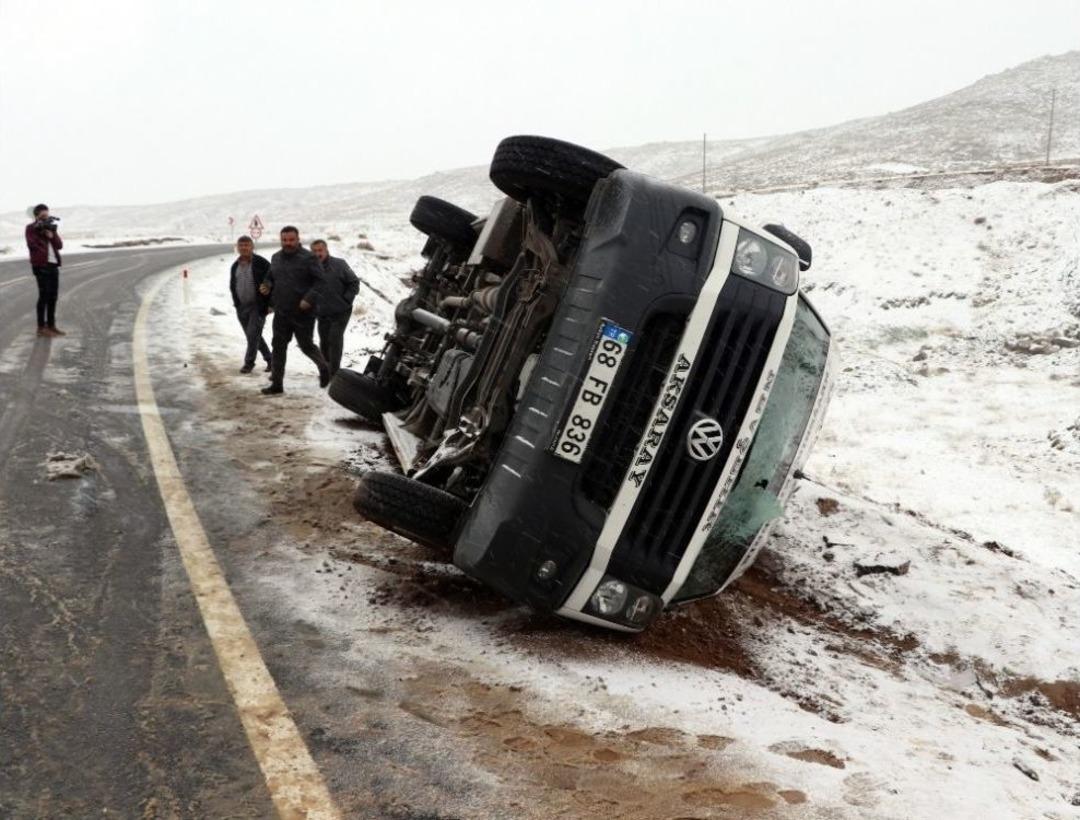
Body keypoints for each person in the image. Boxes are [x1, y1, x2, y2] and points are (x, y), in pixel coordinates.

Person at [258, 226, 330, 395]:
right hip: (282, 312)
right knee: (278, 346)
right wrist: (266, 286)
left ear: (298, 239)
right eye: (284, 240)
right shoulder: (276, 258)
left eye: (291, 240)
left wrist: (308, 299)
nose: (288, 243)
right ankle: (277, 384)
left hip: (303, 313)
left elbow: (320, 282)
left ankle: (324, 367)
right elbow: (270, 277)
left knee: (306, 346)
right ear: (281, 240)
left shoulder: (309, 258)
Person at [311, 239, 359, 377]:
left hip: (341, 311)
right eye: (315, 251)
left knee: (335, 339)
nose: (318, 253)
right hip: (323, 312)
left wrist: (346, 299)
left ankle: (334, 373)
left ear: (326, 251)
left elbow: (354, 283)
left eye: (320, 250)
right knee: (324, 341)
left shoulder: (339, 264)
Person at [229, 235, 273, 373]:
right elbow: (233, 285)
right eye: (241, 245)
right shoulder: (235, 265)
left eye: (246, 245)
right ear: (237, 248)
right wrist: (237, 303)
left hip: (258, 305)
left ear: (252, 247)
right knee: (253, 336)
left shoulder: (261, 263)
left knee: (253, 333)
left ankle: (249, 363)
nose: (244, 248)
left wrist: (271, 303)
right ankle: (270, 359)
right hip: (242, 306)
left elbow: (273, 280)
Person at [25, 204, 65, 337]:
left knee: (53, 297)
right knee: (44, 296)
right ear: (36, 216)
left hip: (53, 265)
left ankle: (51, 325)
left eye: (47, 216)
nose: (46, 219)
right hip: (41, 265)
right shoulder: (30, 229)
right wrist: (41, 233)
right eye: (43, 216)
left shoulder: (50, 228)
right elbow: (32, 245)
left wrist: (51, 235)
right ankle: (41, 328)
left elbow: (59, 245)